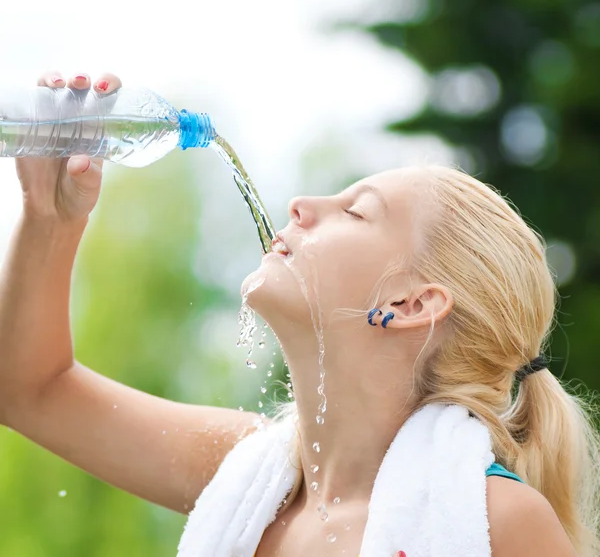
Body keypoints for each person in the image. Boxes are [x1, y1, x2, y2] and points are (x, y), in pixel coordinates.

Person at [0, 71, 598, 557]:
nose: (300, 205)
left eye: (356, 210)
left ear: (411, 304)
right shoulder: (248, 472)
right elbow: (29, 388)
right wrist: (50, 217)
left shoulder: (501, 523)